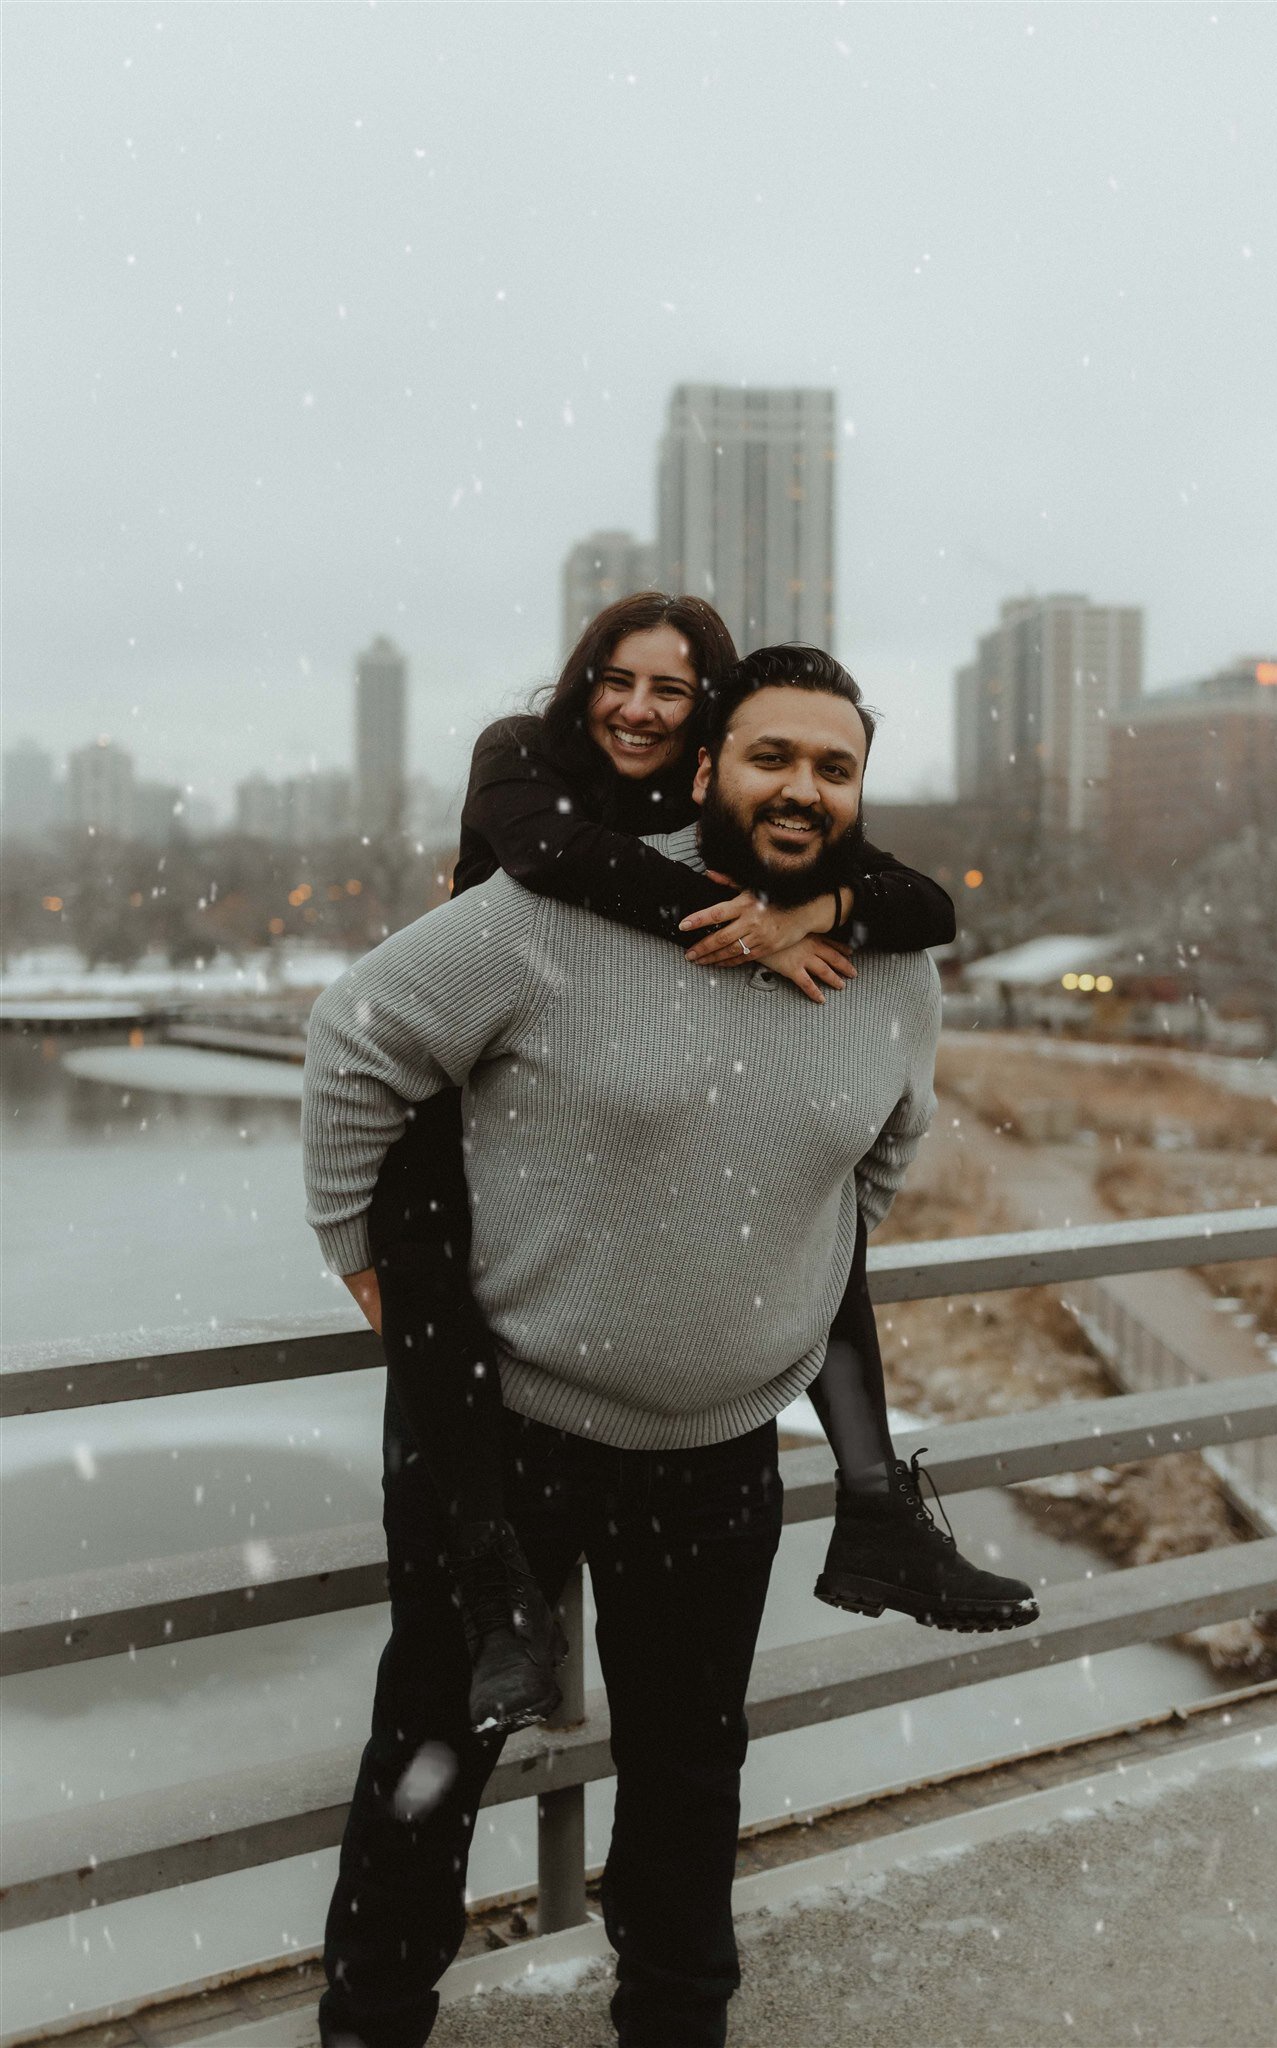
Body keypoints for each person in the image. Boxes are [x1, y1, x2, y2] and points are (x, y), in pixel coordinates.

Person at [302, 643, 1036, 2048]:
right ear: (706, 768)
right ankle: (373, 2019)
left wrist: (788, 1258)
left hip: (718, 1462)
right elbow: (353, 1042)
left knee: (692, 1769)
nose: (801, 789)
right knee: (437, 1760)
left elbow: (879, 1153)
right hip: (510, 1438)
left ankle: (676, 2020)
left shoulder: (889, 968)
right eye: (771, 757)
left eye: (834, 766)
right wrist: (362, 1259)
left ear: (860, 788)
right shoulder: (550, 916)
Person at [342, 593, 1011, 1741]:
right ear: (582, 679)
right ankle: (492, 1570)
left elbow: (929, 905)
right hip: (460, 1116)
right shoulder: (524, 759)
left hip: (705, 1439)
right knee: (430, 1290)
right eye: (618, 677)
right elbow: (553, 861)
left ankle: (874, 1504)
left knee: (817, 1209)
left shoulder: (765, 806)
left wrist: (829, 901)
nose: (638, 708)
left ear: (703, 724)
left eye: (671, 688)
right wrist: (752, 919)